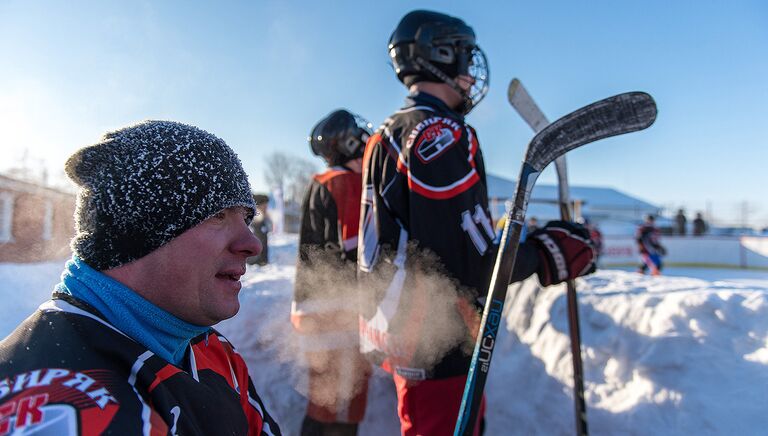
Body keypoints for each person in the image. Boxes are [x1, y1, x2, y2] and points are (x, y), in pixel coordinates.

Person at [357, 10, 598, 435]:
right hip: (437, 334)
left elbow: (433, 237)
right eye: (466, 58)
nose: (471, 72)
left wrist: (514, 237)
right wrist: (547, 254)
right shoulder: (440, 133)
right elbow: (471, 263)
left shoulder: (388, 131)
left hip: (407, 328)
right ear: (442, 55)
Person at [0, 121, 281, 435]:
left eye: (246, 219)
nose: (252, 244)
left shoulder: (210, 349)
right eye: (218, 215)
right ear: (138, 232)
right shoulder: (60, 403)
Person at [292, 109, 373, 435]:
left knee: (324, 403)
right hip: (339, 313)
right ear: (348, 142)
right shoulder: (347, 182)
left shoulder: (322, 181)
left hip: (317, 310)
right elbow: (359, 253)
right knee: (343, 408)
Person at [248, 193, 273, 266]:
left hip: (262, 259)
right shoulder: (256, 217)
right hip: (255, 261)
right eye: (265, 205)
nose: (266, 207)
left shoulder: (264, 216)